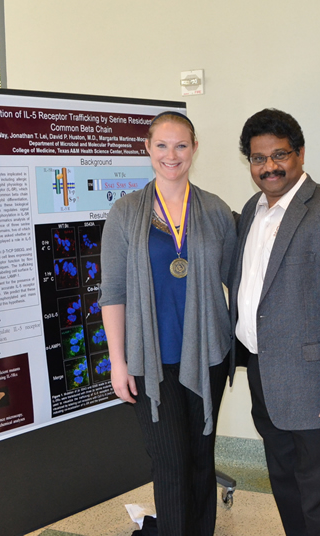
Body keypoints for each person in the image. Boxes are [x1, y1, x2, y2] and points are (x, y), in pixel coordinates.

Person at [229, 108, 320, 536]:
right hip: (265, 377)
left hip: (318, 388)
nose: (270, 167)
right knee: (287, 490)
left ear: (300, 154)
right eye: (259, 158)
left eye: (280, 155)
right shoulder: (252, 212)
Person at [99, 111, 236, 536]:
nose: (171, 155)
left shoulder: (215, 210)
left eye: (181, 145)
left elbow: (239, 281)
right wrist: (117, 363)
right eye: (162, 145)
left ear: (195, 148)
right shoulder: (124, 212)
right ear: (147, 148)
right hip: (150, 359)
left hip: (208, 354)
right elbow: (114, 293)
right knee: (170, 462)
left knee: (201, 456)